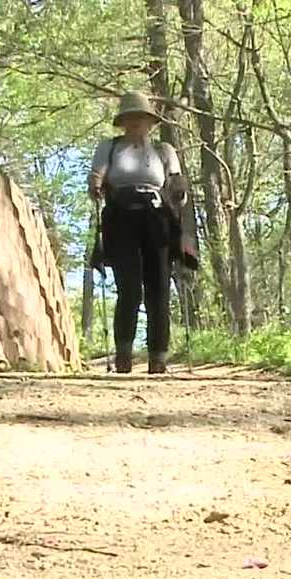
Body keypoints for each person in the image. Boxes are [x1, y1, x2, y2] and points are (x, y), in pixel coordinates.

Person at [87, 91, 194, 374]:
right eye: (131, 118)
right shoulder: (108, 147)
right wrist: (96, 185)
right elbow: (97, 174)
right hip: (120, 217)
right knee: (129, 287)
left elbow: (175, 181)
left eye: (141, 118)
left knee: (158, 286)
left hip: (156, 217)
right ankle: (124, 353)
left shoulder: (164, 150)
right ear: (123, 121)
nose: (136, 123)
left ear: (150, 122)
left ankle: (158, 356)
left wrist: (179, 190)